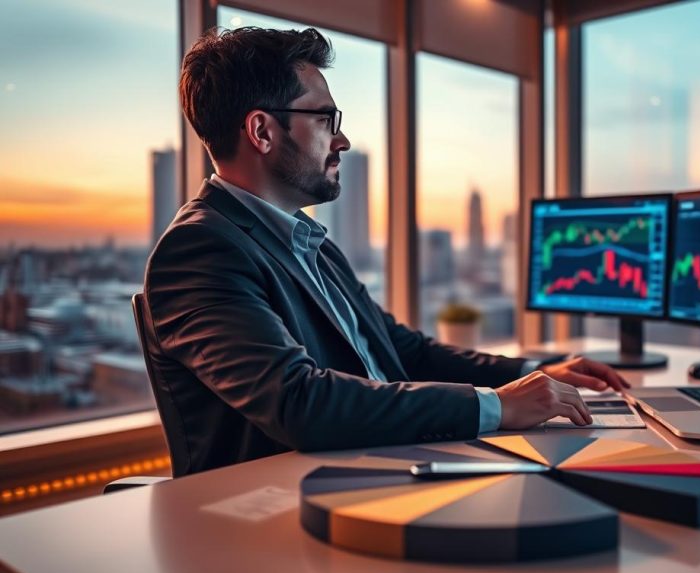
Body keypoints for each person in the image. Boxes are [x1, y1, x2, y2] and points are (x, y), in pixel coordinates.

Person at [144, 26, 629, 476]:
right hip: (305, 499)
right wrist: (496, 407)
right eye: (325, 118)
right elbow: (299, 403)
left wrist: (531, 375)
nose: (343, 140)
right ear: (263, 132)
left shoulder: (309, 244)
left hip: (396, 463)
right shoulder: (201, 249)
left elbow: (402, 350)